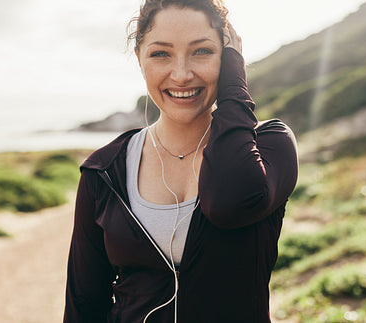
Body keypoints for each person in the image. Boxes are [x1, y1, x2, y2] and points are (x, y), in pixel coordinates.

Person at [64, 0, 298, 322]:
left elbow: (229, 202)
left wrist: (233, 87)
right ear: (139, 59)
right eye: (161, 54)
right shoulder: (103, 171)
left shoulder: (270, 147)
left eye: (202, 51)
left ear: (228, 57)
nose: (182, 74)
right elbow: (83, 305)